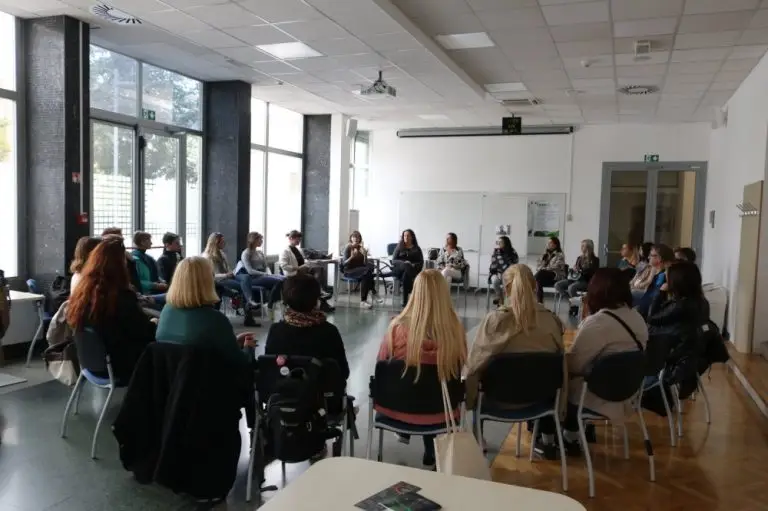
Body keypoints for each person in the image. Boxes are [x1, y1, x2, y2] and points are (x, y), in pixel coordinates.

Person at [535, 268, 648, 459]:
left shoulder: (598, 323)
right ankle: (571, 437)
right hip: (627, 391)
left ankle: (548, 440)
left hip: (597, 394)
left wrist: (584, 322)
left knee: (551, 379)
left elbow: (574, 366)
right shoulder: (637, 318)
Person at [376, 269, 467, 469]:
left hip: (397, 408)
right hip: (442, 411)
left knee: (414, 379)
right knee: (434, 382)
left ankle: (413, 438)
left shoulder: (396, 328)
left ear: (415, 293)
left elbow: (381, 365)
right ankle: (432, 452)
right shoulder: (455, 331)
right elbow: (461, 366)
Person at [465, 264, 565, 410]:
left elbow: (473, 367)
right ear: (535, 287)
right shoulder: (552, 321)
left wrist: (469, 401)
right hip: (542, 400)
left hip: (497, 400)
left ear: (505, 290)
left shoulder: (494, 321)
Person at [65, 236, 156, 383]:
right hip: (121, 365)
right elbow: (142, 332)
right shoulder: (121, 297)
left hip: (91, 363)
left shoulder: (84, 292)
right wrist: (155, 323)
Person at [155, 256, 256, 370]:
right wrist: (248, 347)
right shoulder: (215, 319)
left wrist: (233, 342)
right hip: (208, 383)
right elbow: (240, 362)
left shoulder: (166, 311)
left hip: (171, 380)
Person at [265, 273, 349, 381]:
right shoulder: (329, 332)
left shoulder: (275, 330)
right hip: (320, 394)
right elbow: (343, 372)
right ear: (316, 300)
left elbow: (269, 368)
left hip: (283, 392)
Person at [647, 262, 709, 367]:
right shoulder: (701, 301)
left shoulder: (681, 305)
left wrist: (660, 293)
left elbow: (651, 318)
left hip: (669, 350)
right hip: (690, 348)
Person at [203, 232, 259, 327]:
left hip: (228, 276)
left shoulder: (222, 253)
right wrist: (226, 275)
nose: (224, 243)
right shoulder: (207, 256)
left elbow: (227, 268)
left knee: (245, 277)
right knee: (245, 287)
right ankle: (249, 312)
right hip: (219, 280)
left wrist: (232, 272)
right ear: (216, 243)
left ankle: (249, 301)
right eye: (222, 241)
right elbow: (212, 276)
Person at [279, 230, 334, 313]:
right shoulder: (285, 251)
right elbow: (284, 266)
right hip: (293, 274)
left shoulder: (299, 250)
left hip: (302, 271)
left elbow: (303, 261)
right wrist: (298, 268)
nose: (299, 241)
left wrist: (307, 265)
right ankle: (321, 295)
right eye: (297, 239)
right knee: (312, 280)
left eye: (299, 240)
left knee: (318, 271)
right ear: (291, 238)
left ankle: (321, 295)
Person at [236, 232, 285, 318]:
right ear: (253, 240)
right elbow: (250, 271)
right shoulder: (246, 253)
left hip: (263, 275)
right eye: (260, 239)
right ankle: (271, 304)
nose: (262, 241)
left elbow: (266, 266)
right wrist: (264, 274)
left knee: (285, 278)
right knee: (279, 281)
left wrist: (269, 274)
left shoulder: (260, 253)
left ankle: (275, 303)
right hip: (253, 278)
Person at [341, 231, 382, 310]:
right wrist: (352, 257)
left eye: (358, 237)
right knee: (367, 272)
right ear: (351, 238)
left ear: (360, 239)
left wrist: (365, 255)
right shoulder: (348, 247)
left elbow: (365, 264)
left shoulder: (361, 248)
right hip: (349, 271)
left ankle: (363, 301)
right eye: (354, 237)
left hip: (360, 271)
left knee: (367, 273)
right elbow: (344, 264)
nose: (356, 238)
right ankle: (373, 293)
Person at [634, 244, 675, 317]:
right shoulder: (654, 270)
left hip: (653, 315)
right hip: (644, 310)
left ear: (659, 257)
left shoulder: (668, 273)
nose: (648, 257)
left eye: (651, 255)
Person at [131, 231, 168, 307]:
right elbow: (136, 281)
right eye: (149, 240)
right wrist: (155, 285)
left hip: (153, 291)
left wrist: (160, 280)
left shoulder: (148, 257)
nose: (151, 243)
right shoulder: (134, 260)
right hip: (145, 294)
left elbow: (153, 274)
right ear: (142, 242)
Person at [392, 229, 424, 308]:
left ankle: (405, 301)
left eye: (408, 235)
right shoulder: (399, 247)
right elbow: (394, 261)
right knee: (406, 267)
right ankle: (413, 292)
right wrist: (404, 263)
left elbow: (421, 262)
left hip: (411, 270)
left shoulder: (417, 248)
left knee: (406, 275)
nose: (406, 237)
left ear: (412, 237)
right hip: (399, 269)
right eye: (404, 236)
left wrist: (412, 265)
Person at [534, 236, 566, 303]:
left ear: (555, 245)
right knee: (538, 281)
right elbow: (537, 265)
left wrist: (544, 268)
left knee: (541, 272)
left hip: (555, 276)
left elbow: (555, 267)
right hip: (545, 276)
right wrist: (542, 268)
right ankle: (540, 303)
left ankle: (530, 281)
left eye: (550, 243)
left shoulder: (560, 255)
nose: (548, 244)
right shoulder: (545, 255)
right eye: (548, 243)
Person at [488, 235, 519, 305]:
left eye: (500, 242)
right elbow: (494, 262)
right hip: (497, 272)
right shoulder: (496, 251)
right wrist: (499, 270)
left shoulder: (512, 251)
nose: (499, 243)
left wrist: (506, 270)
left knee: (506, 280)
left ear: (506, 243)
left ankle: (505, 301)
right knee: (495, 281)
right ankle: (499, 296)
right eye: (498, 242)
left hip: (509, 273)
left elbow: (515, 262)